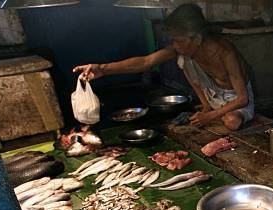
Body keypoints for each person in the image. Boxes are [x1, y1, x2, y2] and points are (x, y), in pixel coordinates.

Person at [73, 3, 254, 131]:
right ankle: (207, 105)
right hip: (212, 98)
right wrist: (102, 68)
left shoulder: (225, 53)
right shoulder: (184, 48)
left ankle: (213, 112)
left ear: (197, 38)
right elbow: (145, 62)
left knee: (231, 122)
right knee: (183, 59)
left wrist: (211, 117)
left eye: (179, 40)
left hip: (235, 100)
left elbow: (243, 98)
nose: (175, 44)